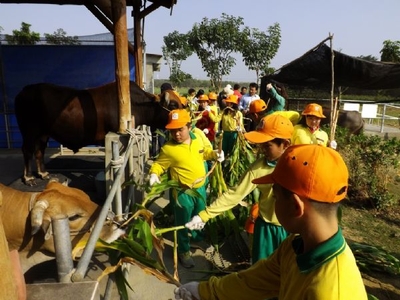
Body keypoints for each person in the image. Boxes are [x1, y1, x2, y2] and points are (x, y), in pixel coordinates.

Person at [175, 144, 368, 300]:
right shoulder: (294, 246)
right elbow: (254, 281)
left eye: (274, 198)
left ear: (295, 206)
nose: (271, 203)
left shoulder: (332, 292)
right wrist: (204, 291)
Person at [186, 114, 294, 264]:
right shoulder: (258, 168)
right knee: (262, 272)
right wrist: (204, 215)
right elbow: (234, 194)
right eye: (261, 144)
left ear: (285, 144)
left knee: (290, 271)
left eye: (267, 145)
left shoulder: (299, 166)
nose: (261, 150)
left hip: (293, 229)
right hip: (267, 229)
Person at [148, 109, 224, 268]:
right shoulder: (168, 148)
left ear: (189, 127)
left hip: (200, 188)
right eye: (173, 130)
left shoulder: (197, 140)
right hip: (182, 192)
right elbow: (159, 164)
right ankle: (183, 250)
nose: (176, 134)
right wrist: (154, 173)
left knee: (199, 214)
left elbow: (204, 154)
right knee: (182, 221)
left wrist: (215, 154)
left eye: (180, 129)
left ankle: (197, 238)